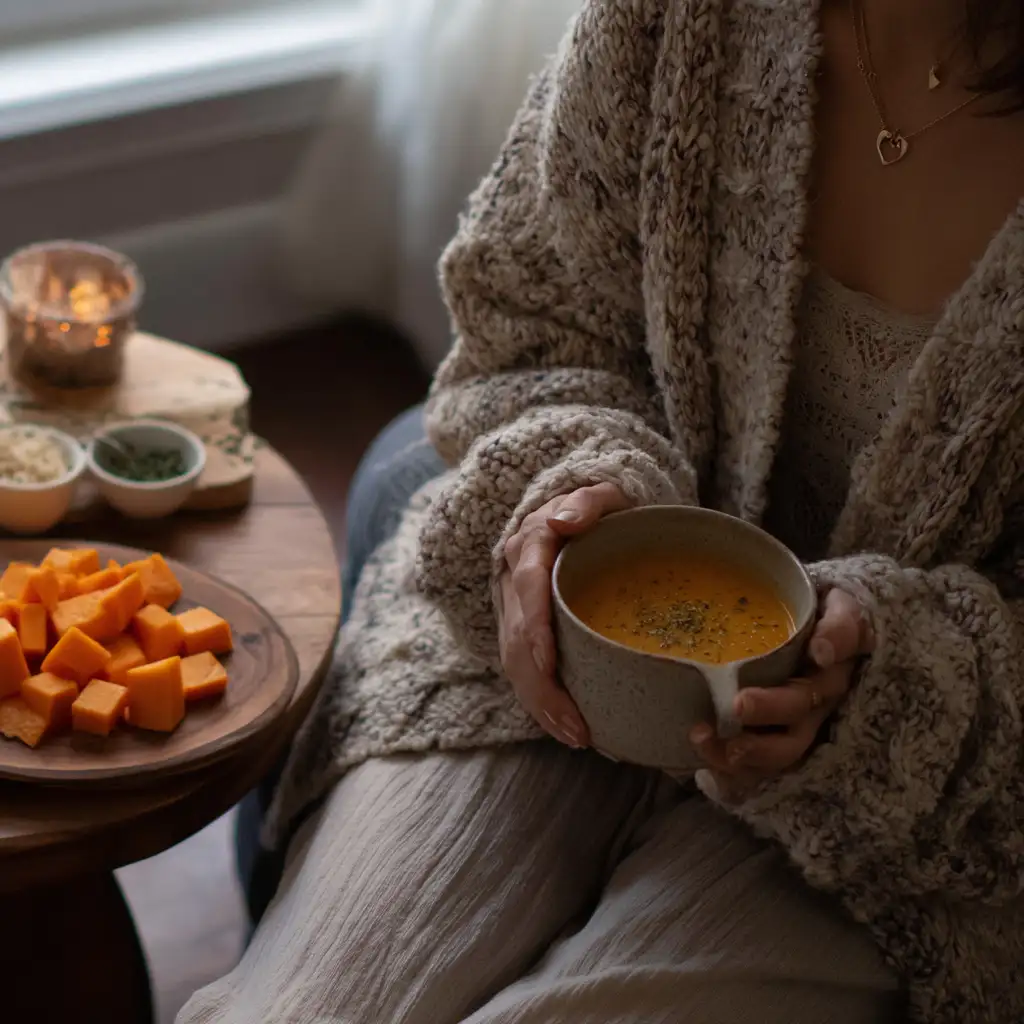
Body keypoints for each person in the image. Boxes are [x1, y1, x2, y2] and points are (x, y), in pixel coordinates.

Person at [179, 0, 1024, 1021]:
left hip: (917, 824)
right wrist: (571, 481)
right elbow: (531, 317)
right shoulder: (676, 20)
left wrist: (897, 686)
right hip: (539, 675)